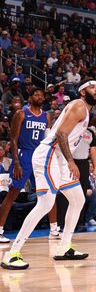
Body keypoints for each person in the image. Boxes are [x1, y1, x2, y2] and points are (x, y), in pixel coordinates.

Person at [2, 80, 96, 270]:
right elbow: (62, 134)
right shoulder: (79, 106)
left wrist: (67, 161)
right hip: (50, 154)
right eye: (91, 87)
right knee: (45, 203)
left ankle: (64, 247)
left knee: (78, 199)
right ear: (82, 92)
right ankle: (12, 253)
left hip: (60, 158)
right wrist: (71, 162)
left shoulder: (86, 110)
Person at [0, 88, 61, 244]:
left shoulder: (46, 116)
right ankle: (0, 230)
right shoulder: (21, 113)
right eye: (36, 94)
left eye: (41, 95)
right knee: (12, 194)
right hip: (24, 155)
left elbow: (48, 139)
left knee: (49, 192)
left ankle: (54, 230)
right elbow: (13, 140)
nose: (39, 97)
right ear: (30, 97)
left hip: (40, 156)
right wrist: (17, 162)